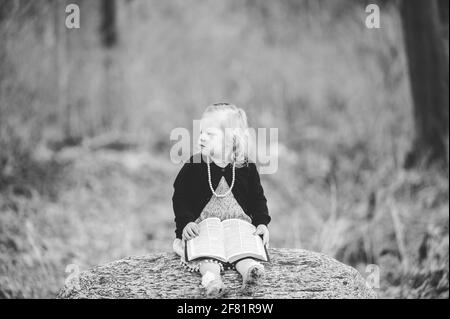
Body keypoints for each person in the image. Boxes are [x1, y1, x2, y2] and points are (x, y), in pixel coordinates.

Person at [172, 103, 271, 297]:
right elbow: (180, 196)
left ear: (230, 139)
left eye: (210, 134)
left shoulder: (246, 167)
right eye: (201, 132)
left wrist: (261, 223)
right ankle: (212, 280)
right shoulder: (194, 165)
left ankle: (251, 273)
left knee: (244, 249)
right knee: (206, 254)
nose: (201, 137)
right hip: (204, 225)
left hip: (238, 224)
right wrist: (185, 223)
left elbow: (258, 198)